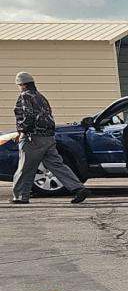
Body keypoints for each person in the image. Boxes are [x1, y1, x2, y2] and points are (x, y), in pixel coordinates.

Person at [9, 72, 88, 204]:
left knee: (25, 167)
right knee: (57, 165)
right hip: (49, 137)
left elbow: (28, 116)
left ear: (22, 84)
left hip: (33, 138)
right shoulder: (41, 97)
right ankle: (78, 188)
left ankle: (21, 197)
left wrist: (22, 131)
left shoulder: (25, 96)